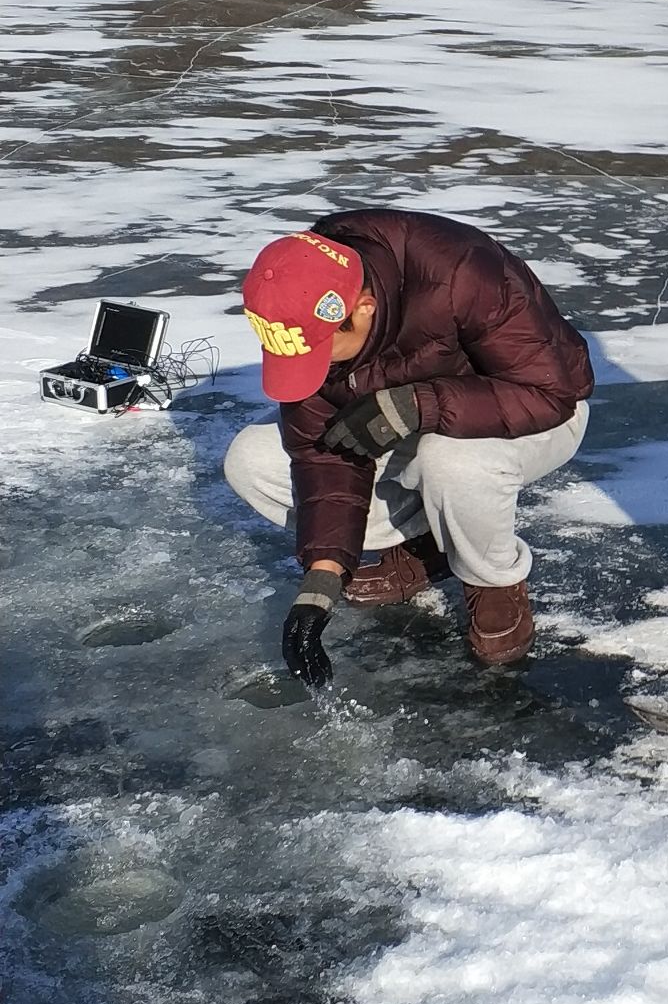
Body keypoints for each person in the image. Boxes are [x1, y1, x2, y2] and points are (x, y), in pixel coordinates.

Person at [225, 209, 593, 681]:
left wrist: (418, 405)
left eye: (321, 352)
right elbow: (322, 453)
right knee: (251, 461)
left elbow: (553, 393)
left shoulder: (463, 271)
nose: (315, 369)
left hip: (531, 415)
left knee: (450, 459)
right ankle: (428, 545)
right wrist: (320, 584)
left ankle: (492, 578)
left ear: (363, 307)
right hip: (408, 424)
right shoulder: (304, 292)